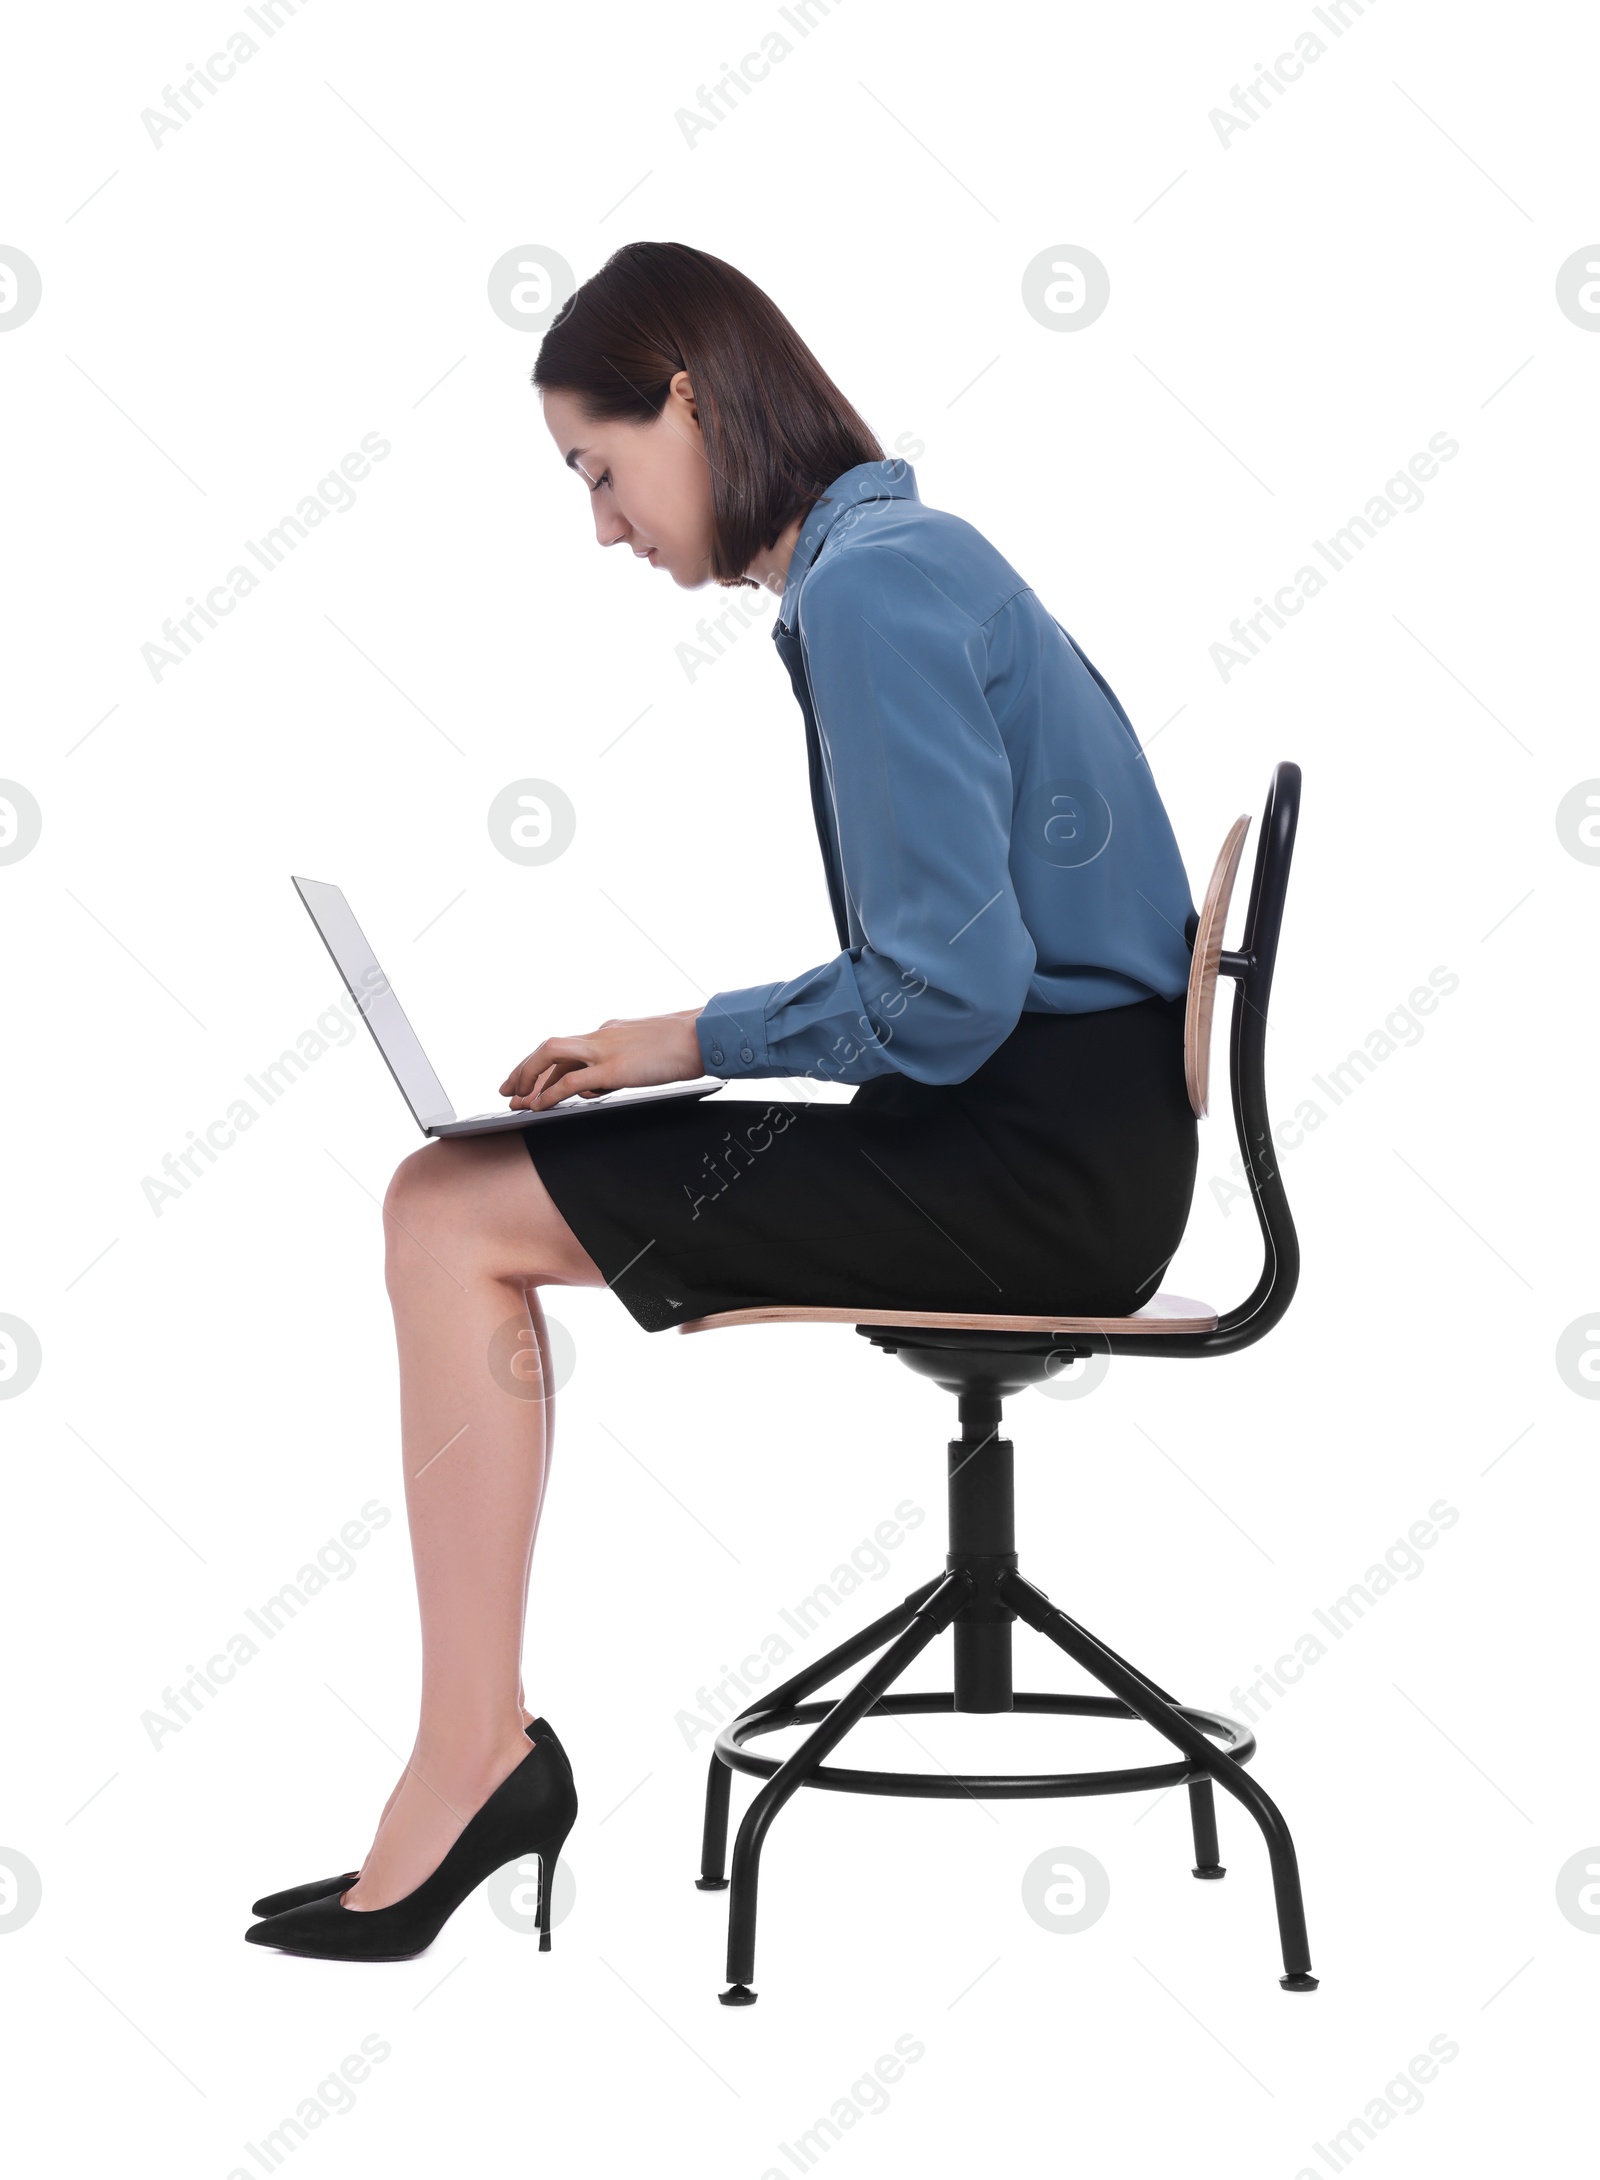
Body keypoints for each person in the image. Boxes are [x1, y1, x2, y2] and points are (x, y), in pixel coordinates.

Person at [244, 241, 1199, 1962]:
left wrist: (686, 1036)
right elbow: (963, 976)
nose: (605, 528)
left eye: (600, 470)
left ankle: (476, 1759)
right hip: (1061, 1140)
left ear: (688, 397)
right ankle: (478, 1753)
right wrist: (672, 1042)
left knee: (444, 1208)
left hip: (1031, 1164)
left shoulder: (872, 587)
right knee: (458, 1197)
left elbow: (949, 994)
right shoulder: (896, 563)